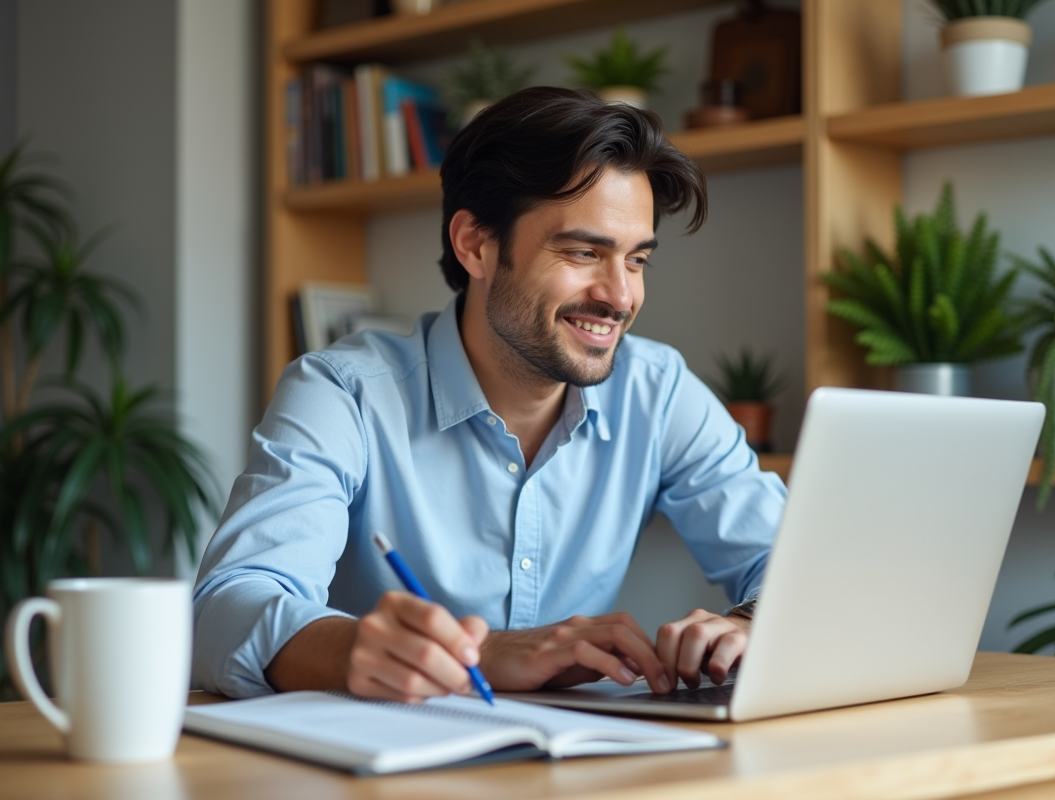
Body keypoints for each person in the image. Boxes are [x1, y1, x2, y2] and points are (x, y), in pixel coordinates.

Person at [192, 87, 785, 703]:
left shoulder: (656, 390)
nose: (620, 296)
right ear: (475, 243)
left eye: (636, 261)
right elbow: (225, 612)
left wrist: (748, 626)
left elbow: (801, 567)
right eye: (584, 252)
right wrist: (454, 653)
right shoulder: (343, 393)